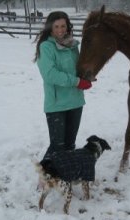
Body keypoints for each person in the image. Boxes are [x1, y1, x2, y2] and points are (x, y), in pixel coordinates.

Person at [34, 11, 92, 161]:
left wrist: (86, 76)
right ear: (50, 28)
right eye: (56, 26)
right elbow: (50, 74)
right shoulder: (46, 47)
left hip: (75, 101)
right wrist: (77, 82)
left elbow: (77, 68)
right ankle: (45, 177)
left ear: (68, 27)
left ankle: (64, 177)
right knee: (57, 146)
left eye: (63, 26)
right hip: (56, 104)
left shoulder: (73, 45)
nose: (60, 30)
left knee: (69, 145)